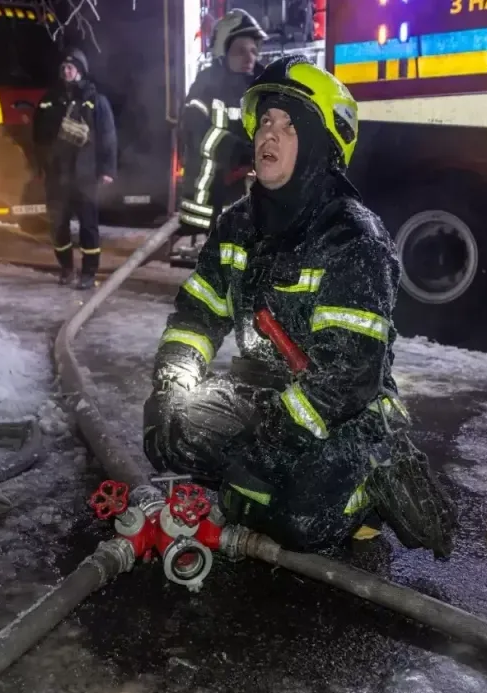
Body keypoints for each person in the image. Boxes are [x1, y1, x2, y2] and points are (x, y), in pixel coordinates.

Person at [142, 56, 459, 557]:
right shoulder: (237, 225)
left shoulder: (352, 238)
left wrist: (268, 447)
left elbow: (348, 376)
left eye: (289, 127)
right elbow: (197, 316)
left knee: (295, 517)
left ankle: (373, 474)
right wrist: (173, 380)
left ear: (319, 147)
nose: (270, 135)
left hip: (345, 412)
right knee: (170, 432)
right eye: (265, 121)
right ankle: (261, 483)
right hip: (262, 396)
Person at [174, 9, 267, 249]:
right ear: (223, 51)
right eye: (241, 51)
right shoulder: (207, 84)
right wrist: (237, 151)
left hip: (249, 200)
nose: (250, 58)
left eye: (254, 51)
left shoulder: (262, 89)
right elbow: (196, 131)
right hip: (209, 198)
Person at [33, 49, 117, 290]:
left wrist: (107, 169)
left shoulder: (95, 100)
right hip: (57, 175)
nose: (66, 71)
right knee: (58, 224)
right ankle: (66, 268)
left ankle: (89, 272)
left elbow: (108, 136)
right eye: (64, 68)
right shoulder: (50, 99)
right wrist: (40, 165)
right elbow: (38, 136)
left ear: (80, 71)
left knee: (88, 225)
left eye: (71, 68)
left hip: (85, 174)